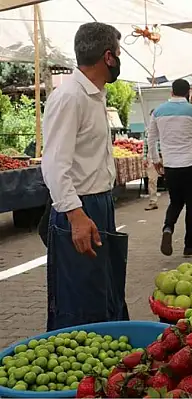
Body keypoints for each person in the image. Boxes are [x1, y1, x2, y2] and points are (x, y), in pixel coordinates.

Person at [41, 22, 129, 331]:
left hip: (99, 204)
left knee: (105, 291)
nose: (119, 60)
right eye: (118, 53)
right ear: (108, 57)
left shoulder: (95, 95)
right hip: (79, 209)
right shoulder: (70, 97)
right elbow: (53, 163)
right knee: (79, 301)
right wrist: (76, 216)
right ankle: (80, 375)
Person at [148, 79, 192, 257]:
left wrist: (155, 159)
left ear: (171, 92)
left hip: (171, 166)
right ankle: (189, 246)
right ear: (188, 93)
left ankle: (168, 227)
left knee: (175, 202)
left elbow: (151, 138)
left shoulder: (158, 112)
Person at [144, 109, 159, 211]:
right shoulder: (148, 129)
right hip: (152, 157)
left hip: (165, 155)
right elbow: (145, 144)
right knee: (152, 180)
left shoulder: (165, 127)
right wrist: (144, 157)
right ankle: (153, 201)